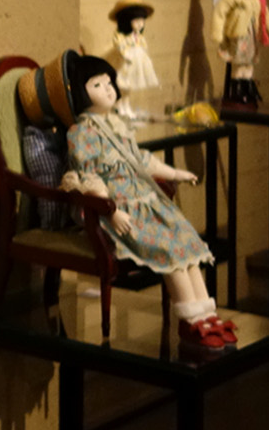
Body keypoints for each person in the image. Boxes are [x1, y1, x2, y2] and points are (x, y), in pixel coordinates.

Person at [65, 52, 233, 347]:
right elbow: (88, 175)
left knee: (185, 240)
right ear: (81, 91)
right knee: (168, 248)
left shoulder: (117, 125)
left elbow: (142, 160)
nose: (107, 90)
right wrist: (111, 210)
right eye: (97, 85)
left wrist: (176, 173)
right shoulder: (81, 133)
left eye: (109, 83)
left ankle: (206, 314)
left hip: (145, 201)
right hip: (121, 208)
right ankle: (190, 321)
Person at [107, 0, 159, 120]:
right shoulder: (121, 36)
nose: (140, 24)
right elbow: (119, 46)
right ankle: (119, 105)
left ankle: (127, 106)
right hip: (125, 62)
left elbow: (143, 46)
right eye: (136, 21)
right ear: (126, 21)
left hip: (136, 63)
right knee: (121, 85)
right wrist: (126, 55)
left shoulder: (139, 36)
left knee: (129, 86)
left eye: (142, 21)